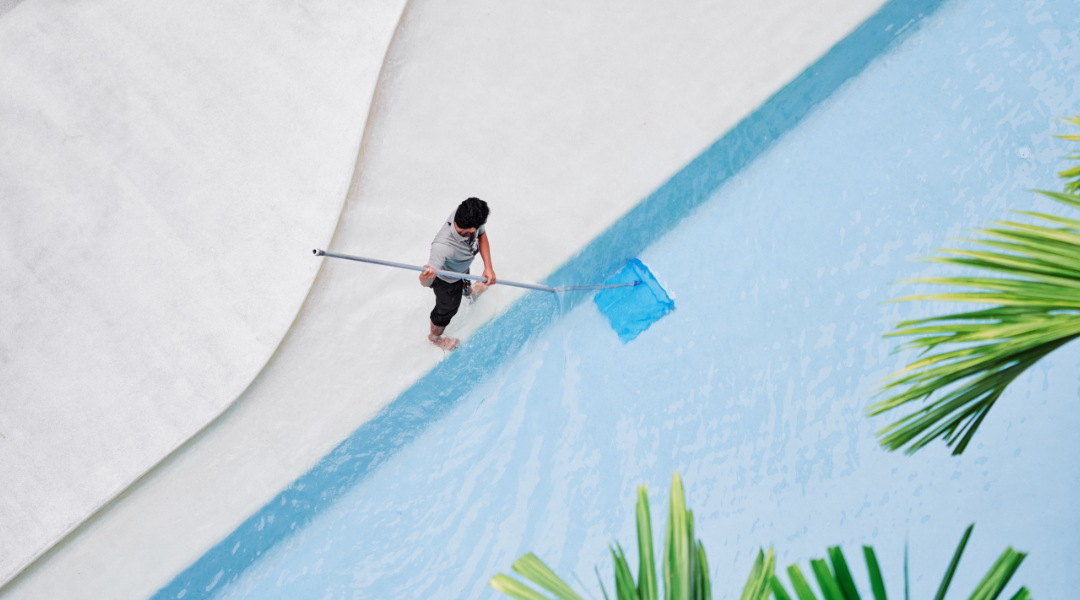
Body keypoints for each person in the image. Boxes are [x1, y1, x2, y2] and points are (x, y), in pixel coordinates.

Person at [419, 197, 495, 350]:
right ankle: (435, 338)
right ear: (472, 228)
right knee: (445, 312)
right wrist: (426, 276)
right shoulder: (442, 247)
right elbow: (425, 283)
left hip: (462, 270)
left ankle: (470, 294)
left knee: (466, 287)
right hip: (446, 283)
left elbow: (482, 236)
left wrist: (488, 267)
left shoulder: (465, 218)